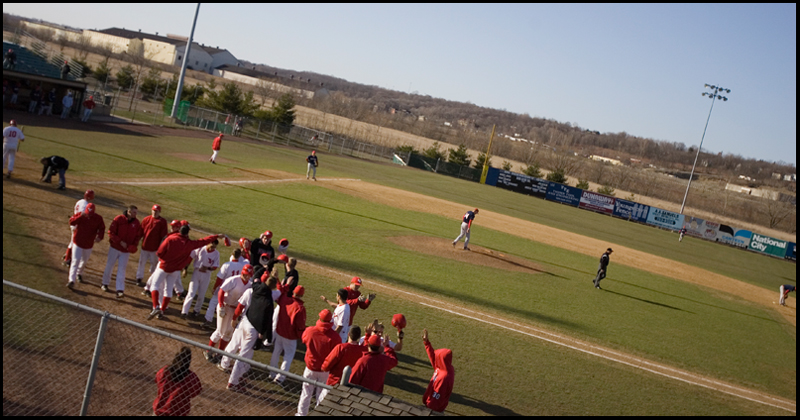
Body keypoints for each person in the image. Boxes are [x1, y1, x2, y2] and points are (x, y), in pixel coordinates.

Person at [147, 224, 225, 320]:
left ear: (180, 230)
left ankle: (156, 307)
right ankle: (161, 311)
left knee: (154, 285)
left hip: (164, 266)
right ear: (187, 233)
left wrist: (165, 259)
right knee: (169, 289)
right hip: (175, 270)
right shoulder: (190, 244)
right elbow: (204, 241)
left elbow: (159, 252)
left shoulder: (170, 239)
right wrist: (216, 236)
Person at [220, 273, 275, 393]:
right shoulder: (268, 301)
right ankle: (233, 382)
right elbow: (267, 321)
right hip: (253, 329)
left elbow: (256, 279)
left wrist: (235, 318)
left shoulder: (254, 290)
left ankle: (225, 364)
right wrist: (267, 337)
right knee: (244, 355)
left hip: (245, 321)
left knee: (234, 344)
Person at [296, 309, 341, 416]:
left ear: (320, 318)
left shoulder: (310, 331)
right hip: (325, 371)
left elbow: (303, 340)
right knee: (321, 395)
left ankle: (301, 414)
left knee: (306, 393)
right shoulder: (335, 337)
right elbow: (336, 354)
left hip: (310, 368)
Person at [205, 264, 254, 360]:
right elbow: (221, 291)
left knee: (228, 333)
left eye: (248, 274)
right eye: (245, 274)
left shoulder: (250, 285)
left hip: (234, 310)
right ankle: (208, 350)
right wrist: (221, 305)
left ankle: (219, 354)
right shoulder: (233, 280)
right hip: (225, 306)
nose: (246, 276)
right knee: (220, 331)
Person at [269, 283, 307, 386]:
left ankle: (272, 373)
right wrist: (301, 336)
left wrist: (279, 282)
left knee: (276, 351)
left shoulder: (285, 299)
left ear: (294, 292)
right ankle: (280, 378)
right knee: (288, 356)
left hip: (280, 331)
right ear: (302, 295)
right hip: (290, 336)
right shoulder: (300, 308)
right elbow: (300, 326)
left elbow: (280, 293)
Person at [102, 205, 142, 298]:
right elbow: (111, 232)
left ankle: (120, 289)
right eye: (134, 212)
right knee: (109, 265)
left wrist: (133, 246)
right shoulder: (119, 219)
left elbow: (137, 236)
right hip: (115, 248)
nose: (135, 214)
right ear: (129, 212)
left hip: (125, 250)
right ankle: (105, 283)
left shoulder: (136, 223)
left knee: (122, 269)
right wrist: (120, 241)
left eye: (136, 212)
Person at [203, 249, 248, 329]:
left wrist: (214, 288)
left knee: (213, 303)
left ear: (232, 254)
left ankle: (208, 320)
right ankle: (228, 324)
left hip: (224, 287)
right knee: (231, 307)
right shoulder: (242, 265)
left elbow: (219, 279)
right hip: (235, 288)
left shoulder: (226, 265)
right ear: (240, 256)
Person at [153, 347, 202, 416]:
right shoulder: (191, 377)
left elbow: (157, 380)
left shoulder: (164, 371)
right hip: (178, 413)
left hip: (160, 411)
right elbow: (195, 392)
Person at [67, 203, 105, 288]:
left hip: (88, 244)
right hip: (78, 242)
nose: (88, 215)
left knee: (84, 261)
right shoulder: (80, 215)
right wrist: (80, 217)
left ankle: (79, 273)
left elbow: (102, 228)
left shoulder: (98, 218)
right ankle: (71, 280)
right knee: (75, 261)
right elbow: (71, 222)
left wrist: (99, 237)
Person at [320, 326, 365, 398]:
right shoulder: (363, 351)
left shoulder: (341, 348)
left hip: (334, 384)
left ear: (348, 334)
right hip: (351, 388)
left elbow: (326, 366)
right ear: (359, 336)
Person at [181, 240, 220, 318]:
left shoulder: (216, 253)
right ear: (208, 243)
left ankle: (196, 311)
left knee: (201, 295)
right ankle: (184, 312)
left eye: (214, 246)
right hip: (196, 273)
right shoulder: (200, 249)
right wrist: (185, 269)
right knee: (191, 293)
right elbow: (190, 257)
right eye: (212, 245)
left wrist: (208, 268)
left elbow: (215, 266)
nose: (213, 248)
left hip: (206, 275)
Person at [421, 329, 454, 412]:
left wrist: (427, 410)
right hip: (431, 405)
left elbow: (437, 399)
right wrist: (427, 343)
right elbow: (433, 358)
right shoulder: (444, 368)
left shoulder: (443, 378)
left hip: (432, 410)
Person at [137, 205, 169, 287]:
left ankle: (152, 280)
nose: (155, 212)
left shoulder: (162, 222)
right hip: (145, 246)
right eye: (154, 211)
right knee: (141, 263)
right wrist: (136, 241)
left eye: (157, 211)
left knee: (154, 265)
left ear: (159, 212)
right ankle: (139, 278)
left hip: (155, 248)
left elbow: (163, 236)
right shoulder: (146, 219)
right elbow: (141, 232)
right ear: (151, 210)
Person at [64, 189, 95, 267]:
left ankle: (67, 256)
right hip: (77, 225)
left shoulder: (80, 201)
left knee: (72, 242)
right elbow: (82, 216)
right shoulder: (85, 205)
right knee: (73, 243)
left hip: (74, 222)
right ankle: (67, 259)